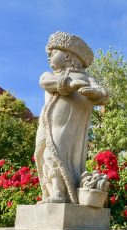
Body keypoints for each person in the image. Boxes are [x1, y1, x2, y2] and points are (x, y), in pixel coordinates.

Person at [35, 32, 108, 203]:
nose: (49, 58)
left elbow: (104, 95)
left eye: (52, 54)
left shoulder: (87, 78)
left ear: (67, 55)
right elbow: (45, 83)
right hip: (48, 125)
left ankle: (60, 193)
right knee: (46, 156)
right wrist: (69, 85)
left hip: (69, 128)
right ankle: (53, 191)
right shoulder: (50, 75)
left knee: (58, 156)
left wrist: (94, 93)